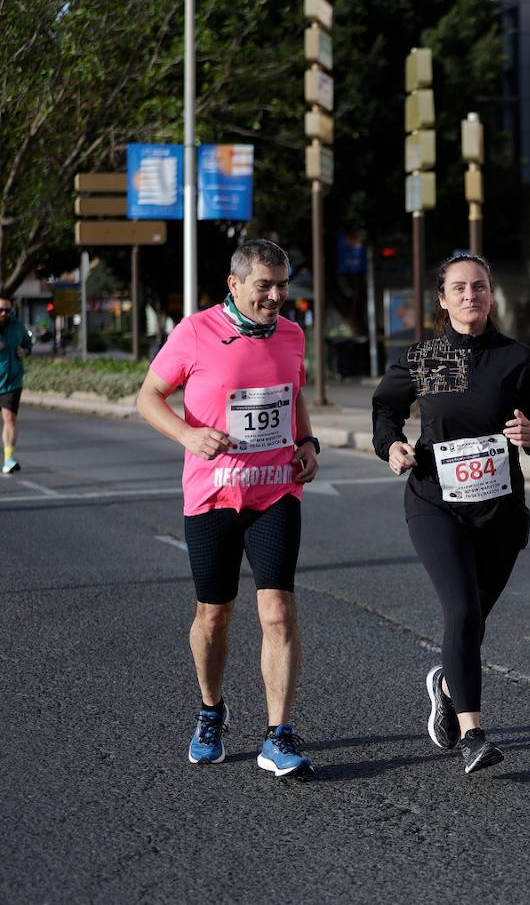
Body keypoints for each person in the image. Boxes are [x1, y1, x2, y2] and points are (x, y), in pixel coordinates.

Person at [372, 253, 530, 774]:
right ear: (442, 298)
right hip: (435, 501)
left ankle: (445, 682)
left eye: (479, 287)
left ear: (490, 294)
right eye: (458, 288)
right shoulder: (429, 357)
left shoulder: (515, 359)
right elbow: (385, 408)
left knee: (473, 618)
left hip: (501, 510)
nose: (469, 296)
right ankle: (473, 734)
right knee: (460, 611)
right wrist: (391, 445)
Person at [136, 239, 319, 777]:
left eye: (282, 284)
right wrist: (188, 436)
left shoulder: (291, 333)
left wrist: (307, 443)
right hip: (213, 496)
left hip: (276, 491)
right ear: (234, 284)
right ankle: (211, 710)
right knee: (213, 616)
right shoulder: (194, 332)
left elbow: (295, 391)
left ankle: (277, 735)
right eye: (264, 285)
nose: (276, 296)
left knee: (279, 612)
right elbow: (149, 396)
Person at [0, 293, 34, 474]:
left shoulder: (17, 326)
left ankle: (8, 459)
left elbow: (28, 343)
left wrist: (25, 351)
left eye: (7, 309)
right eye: (0, 310)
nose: (4, 313)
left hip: (12, 382)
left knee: (9, 419)